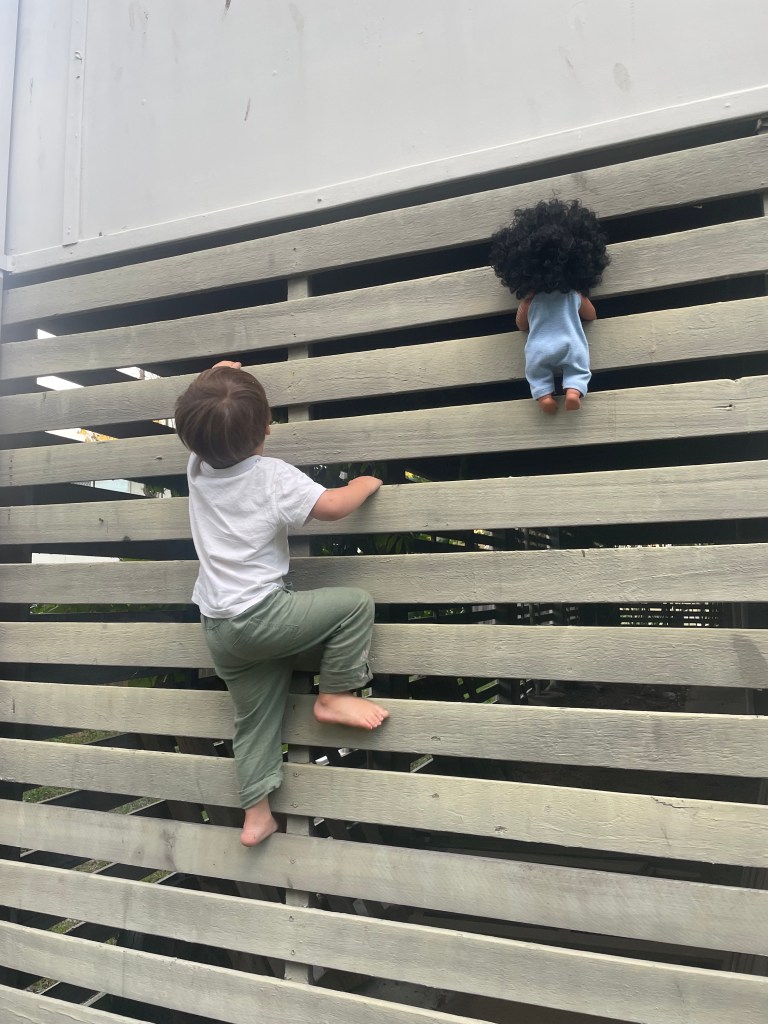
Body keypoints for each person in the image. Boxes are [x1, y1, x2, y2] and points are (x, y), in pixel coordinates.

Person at [175, 361, 388, 846]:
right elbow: (331, 506)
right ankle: (335, 696)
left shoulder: (197, 470)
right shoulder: (270, 477)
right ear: (267, 428)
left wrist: (218, 375)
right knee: (355, 605)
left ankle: (257, 815)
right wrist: (364, 485)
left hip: (218, 627)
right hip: (260, 615)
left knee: (255, 722)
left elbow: (207, 413)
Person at [489, 198, 609, 413]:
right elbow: (591, 315)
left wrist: (525, 303)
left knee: (537, 373)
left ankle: (544, 397)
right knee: (578, 368)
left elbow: (521, 324)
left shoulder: (531, 300)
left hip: (539, 347)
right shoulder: (573, 295)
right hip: (569, 343)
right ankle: (573, 392)